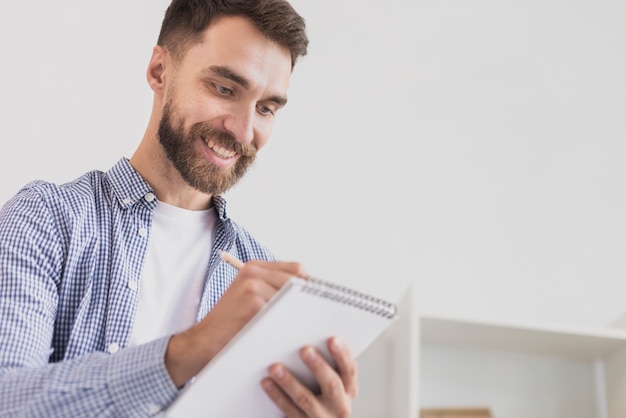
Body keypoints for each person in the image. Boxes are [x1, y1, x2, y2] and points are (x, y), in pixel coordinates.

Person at [0, 1, 358, 416]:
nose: (243, 131)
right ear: (159, 71)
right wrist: (191, 348)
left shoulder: (262, 277)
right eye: (224, 89)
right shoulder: (46, 219)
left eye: (265, 108)